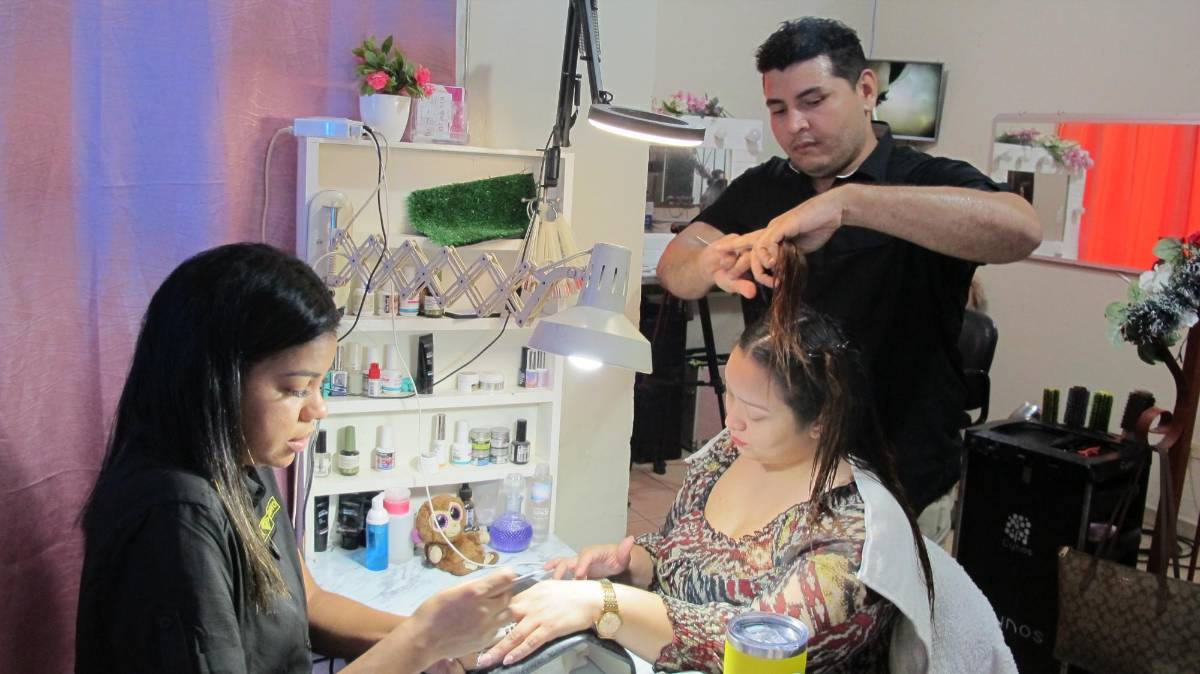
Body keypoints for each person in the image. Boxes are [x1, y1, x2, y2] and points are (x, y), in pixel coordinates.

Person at [655, 17, 1041, 537]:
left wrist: (850, 203)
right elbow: (675, 266)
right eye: (778, 109)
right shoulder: (761, 188)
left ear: (864, 90)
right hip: (782, 478)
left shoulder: (924, 180)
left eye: (813, 101)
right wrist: (707, 263)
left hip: (900, 482)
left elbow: (1020, 229)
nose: (795, 124)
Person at [476, 242, 935, 673]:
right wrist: (632, 564)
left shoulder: (851, 536)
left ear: (820, 419)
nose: (730, 421)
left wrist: (605, 604)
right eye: (730, 397)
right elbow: (678, 551)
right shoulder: (724, 458)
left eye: (754, 413)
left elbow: (750, 646)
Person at [76, 243, 514, 674]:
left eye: (320, 385)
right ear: (214, 381)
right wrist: (421, 642)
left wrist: (438, 641)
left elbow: (310, 602)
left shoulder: (244, 456)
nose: (317, 410)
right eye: (294, 389)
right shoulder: (176, 516)